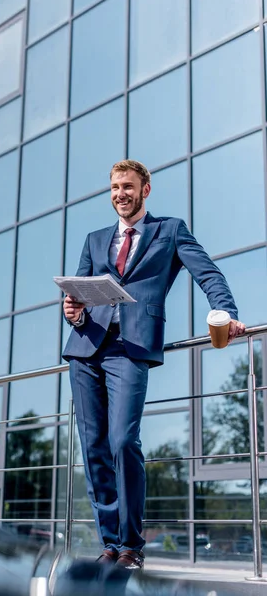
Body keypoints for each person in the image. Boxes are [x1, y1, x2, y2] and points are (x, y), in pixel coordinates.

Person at [62, 159, 246, 570]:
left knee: (122, 441)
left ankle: (131, 545)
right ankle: (110, 544)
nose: (119, 194)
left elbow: (208, 274)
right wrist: (71, 310)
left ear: (145, 190)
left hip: (131, 349)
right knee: (93, 450)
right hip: (86, 349)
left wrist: (226, 312)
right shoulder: (94, 239)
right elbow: (76, 295)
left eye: (127, 186)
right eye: (113, 188)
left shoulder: (170, 230)